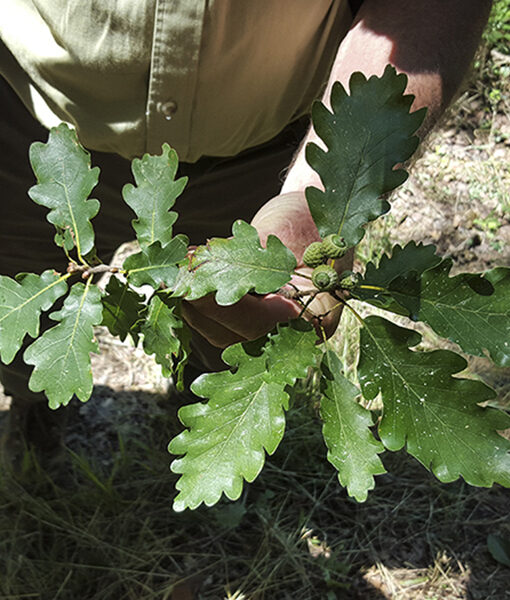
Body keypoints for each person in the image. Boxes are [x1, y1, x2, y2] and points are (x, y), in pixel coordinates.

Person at [0, 1, 493, 462]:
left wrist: (317, 195)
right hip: (29, 125)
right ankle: (33, 409)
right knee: (23, 330)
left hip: (261, 152)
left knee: (229, 337)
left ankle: (207, 421)